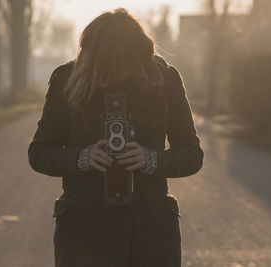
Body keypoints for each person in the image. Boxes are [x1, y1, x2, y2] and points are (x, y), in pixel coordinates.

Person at [28, 8, 204, 267]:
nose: (121, 74)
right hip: (84, 235)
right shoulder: (66, 81)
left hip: (151, 232)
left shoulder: (164, 80)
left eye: (128, 66)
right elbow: (39, 153)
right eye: (113, 67)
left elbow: (192, 154)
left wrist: (151, 159)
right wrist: (82, 158)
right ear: (94, 59)